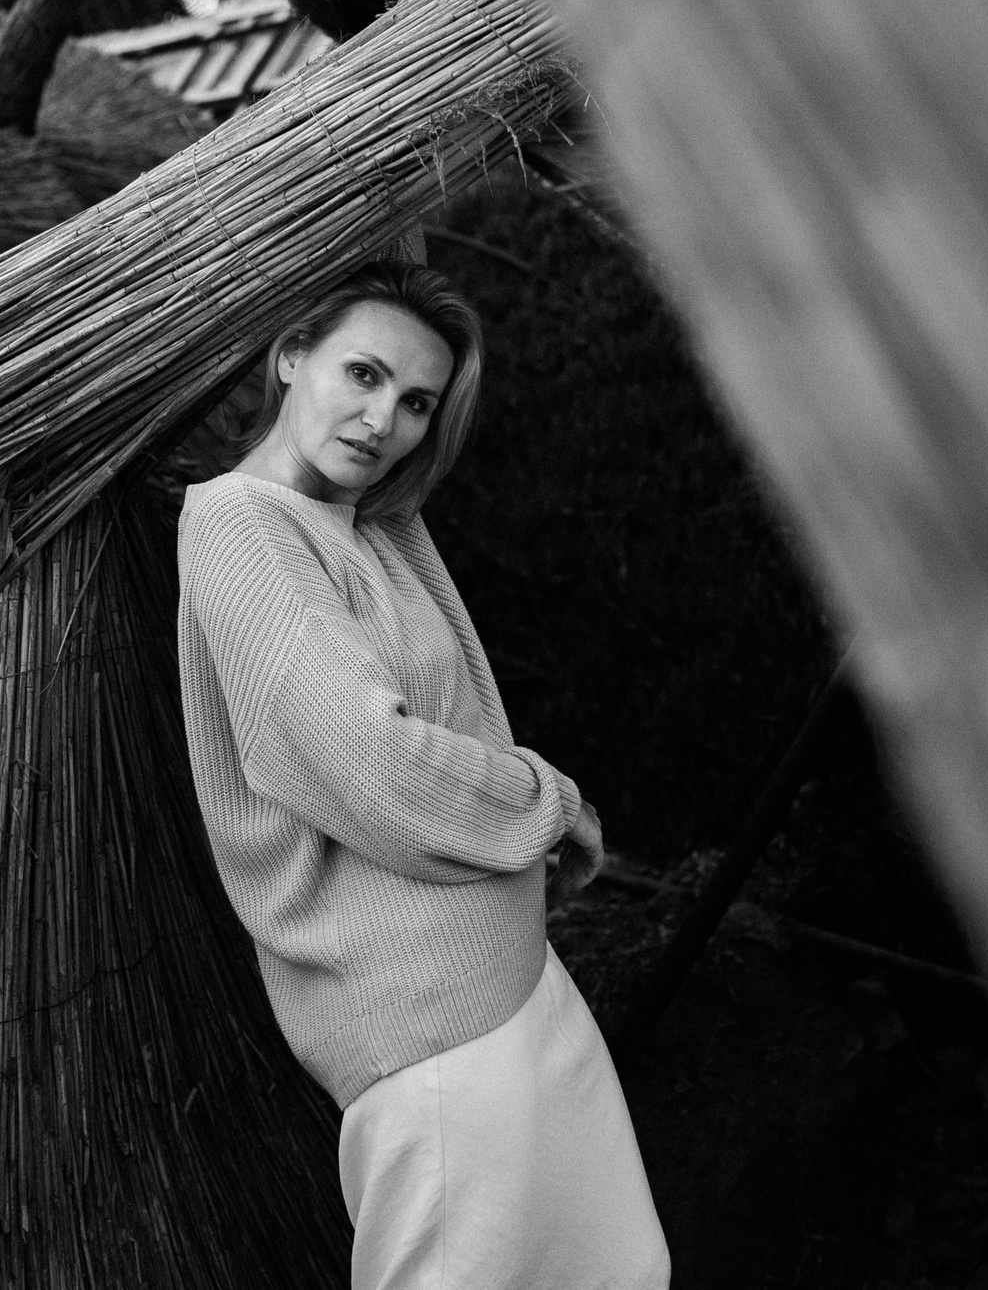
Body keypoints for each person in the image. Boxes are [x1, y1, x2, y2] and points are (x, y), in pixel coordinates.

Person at [176, 258, 672, 1290]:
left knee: (618, 1272)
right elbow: (372, 766)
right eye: (360, 374)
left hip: (516, 988)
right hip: (434, 1043)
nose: (380, 419)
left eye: (414, 403)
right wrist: (548, 803)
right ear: (289, 354)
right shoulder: (240, 526)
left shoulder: (375, 526)